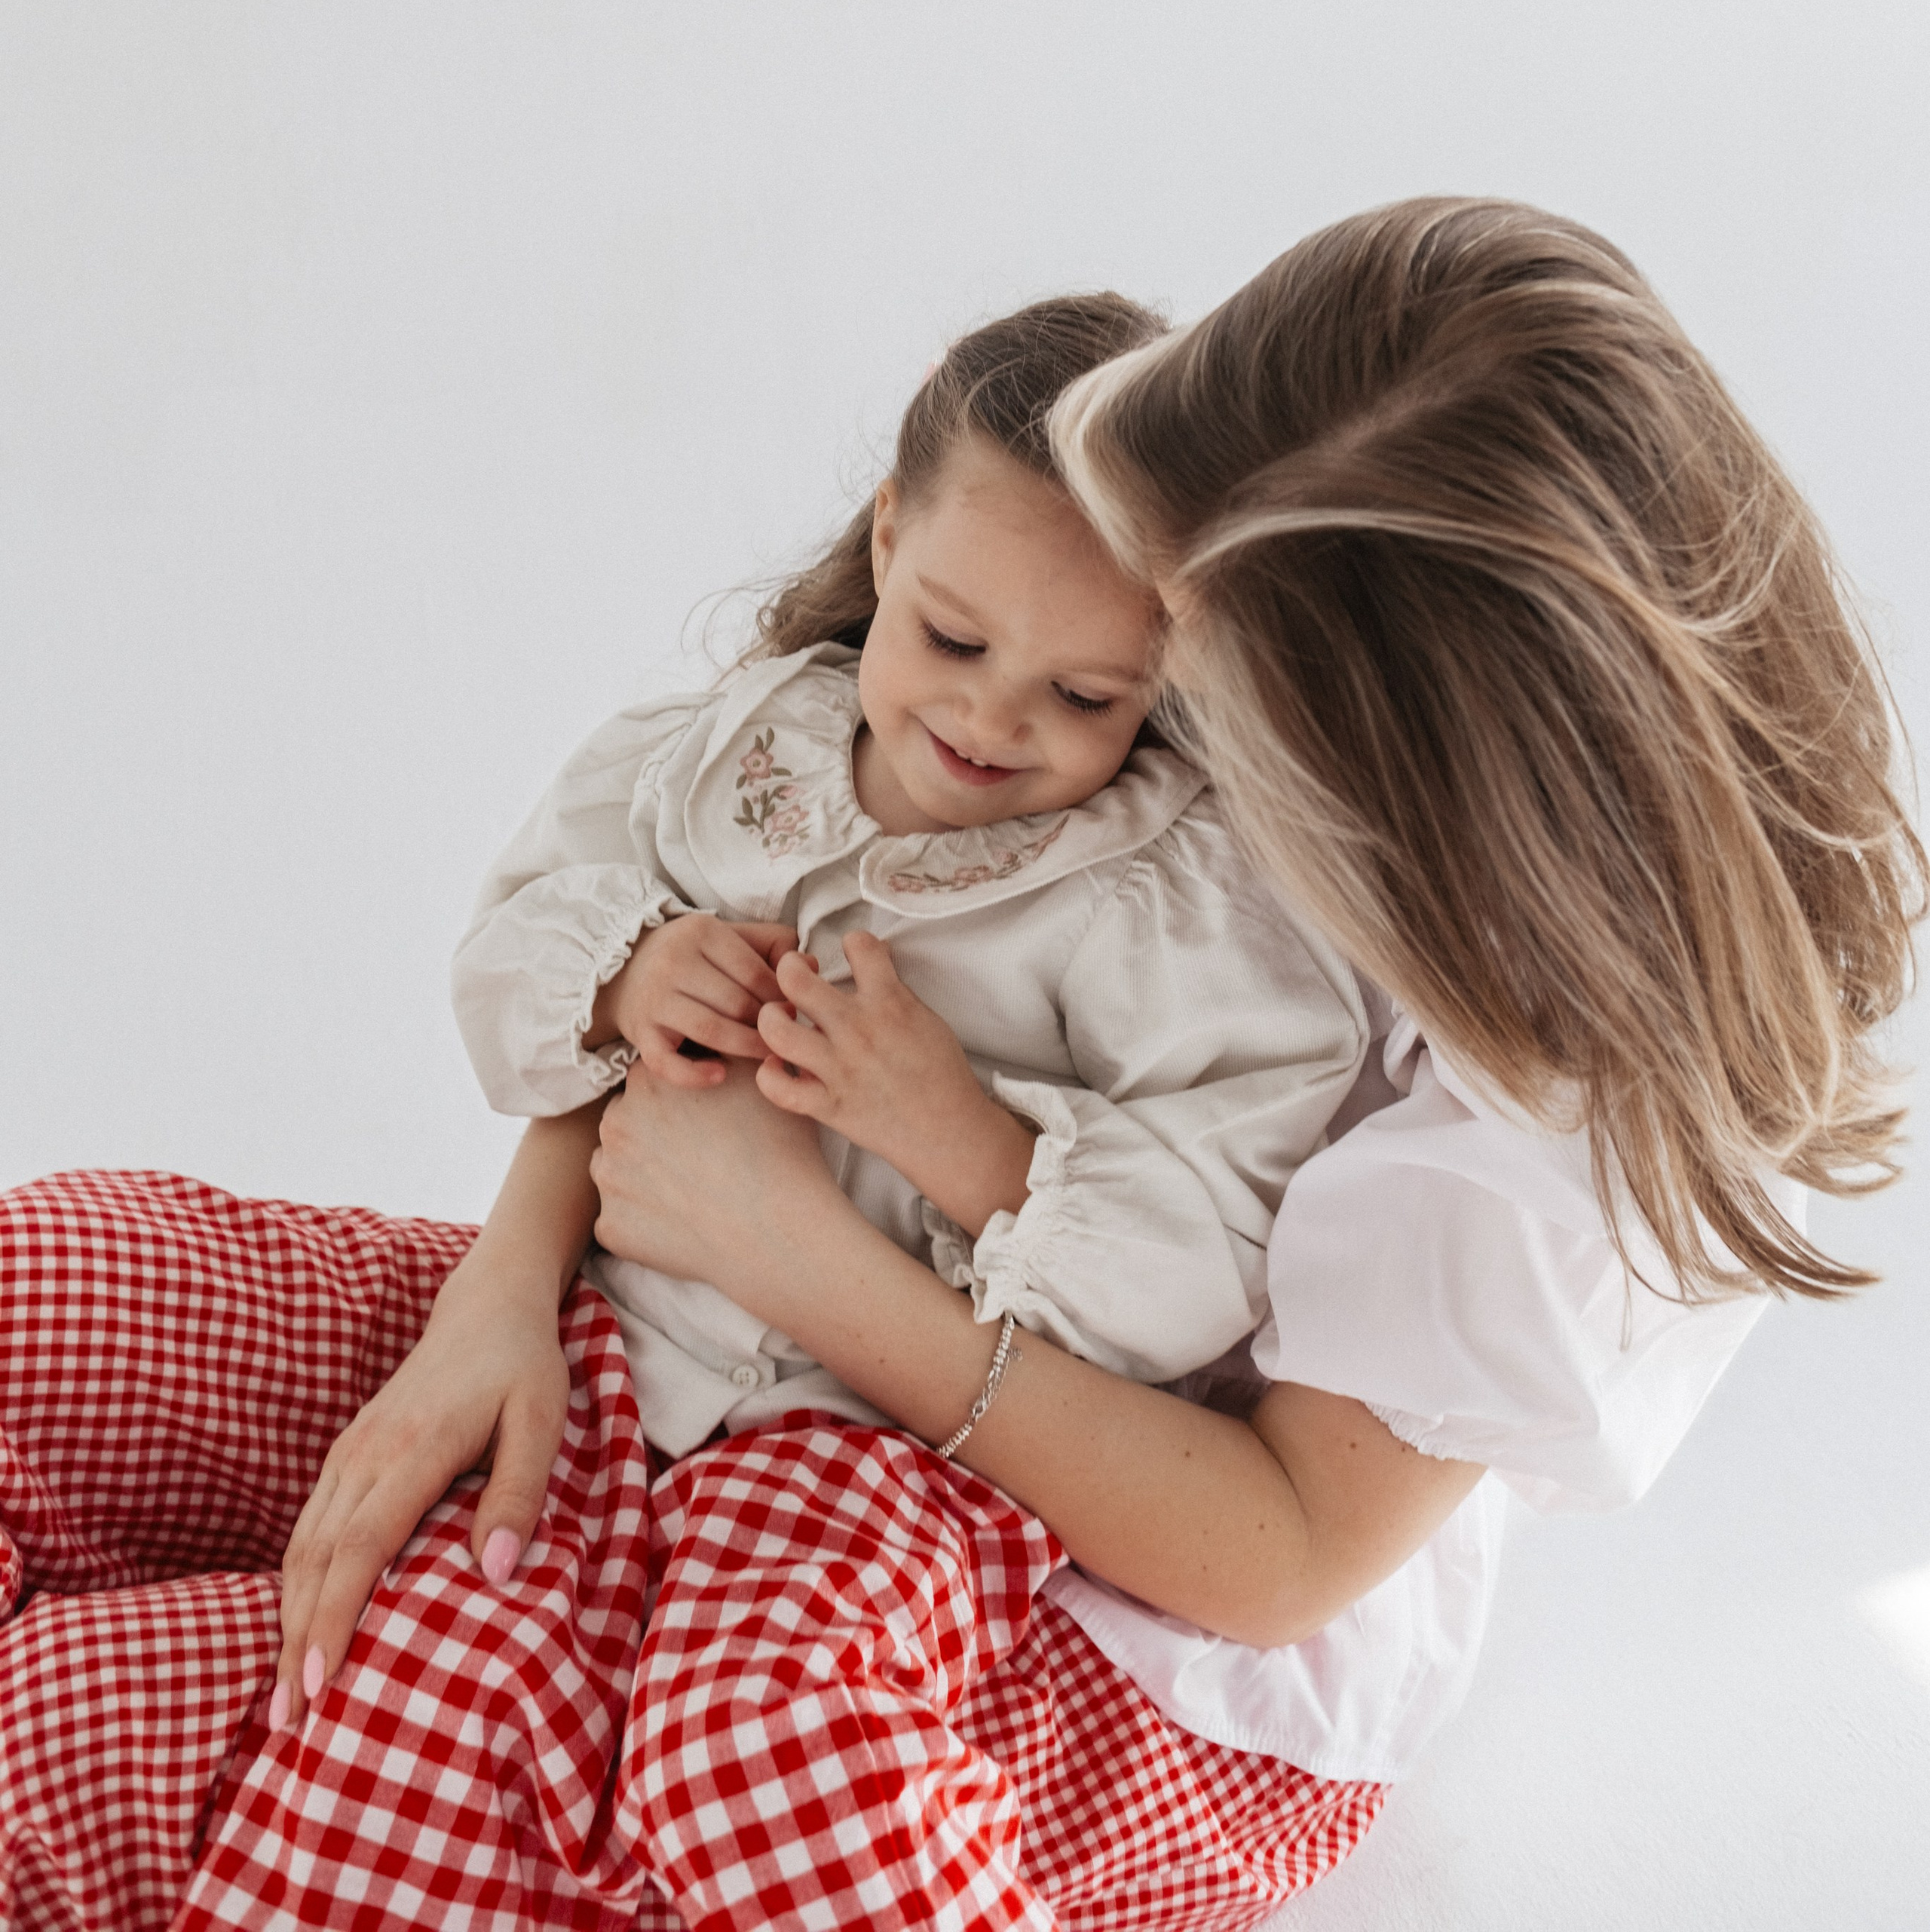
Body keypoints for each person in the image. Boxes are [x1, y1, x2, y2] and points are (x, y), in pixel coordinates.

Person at [0, 199, 1916, 1932]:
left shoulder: (1470, 1089)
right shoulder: (1102, 643)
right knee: (57, 1297)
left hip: (1079, 1582)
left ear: (1386, 753)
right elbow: (682, 937)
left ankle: (446, 1713)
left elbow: (1267, 1556)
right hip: (686, 1318)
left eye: (1136, 690)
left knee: (227, 1749)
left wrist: (810, 1251)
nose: (1054, 724)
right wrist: (509, 1282)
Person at [429, 293, 1365, 1520]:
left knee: (751, 1699)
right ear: (887, 542)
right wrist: (627, 975)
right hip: (605, 1356)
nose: (989, 724)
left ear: (1175, 668)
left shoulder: (1161, 899)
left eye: (1083, 696)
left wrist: (960, 1139)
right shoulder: (728, 749)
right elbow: (501, 957)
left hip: (878, 1471)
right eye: (951, 639)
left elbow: (1208, 1272)